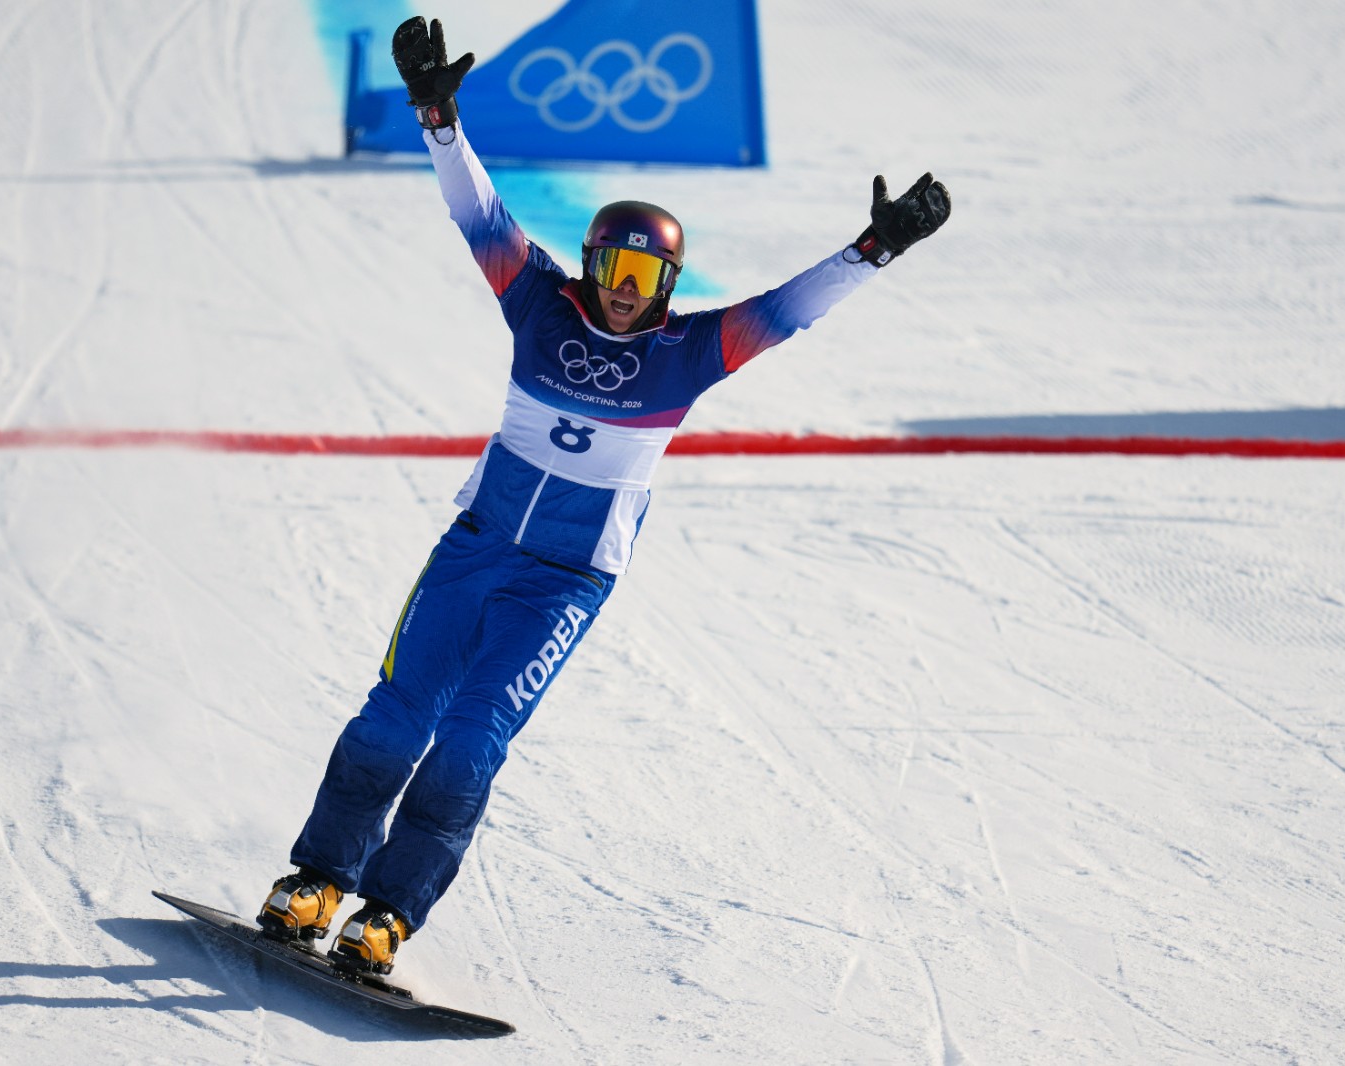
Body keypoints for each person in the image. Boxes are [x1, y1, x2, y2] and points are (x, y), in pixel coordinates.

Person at [257, 15, 951, 975]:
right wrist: (437, 118)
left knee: (469, 743)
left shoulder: (688, 353)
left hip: (564, 581)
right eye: (613, 269)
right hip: (476, 546)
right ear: (590, 264)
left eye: (646, 276)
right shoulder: (539, 304)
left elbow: (788, 310)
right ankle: (318, 879)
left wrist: (874, 249)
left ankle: (387, 913)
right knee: (393, 718)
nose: (625, 291)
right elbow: (479, 216)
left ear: (669, 282)